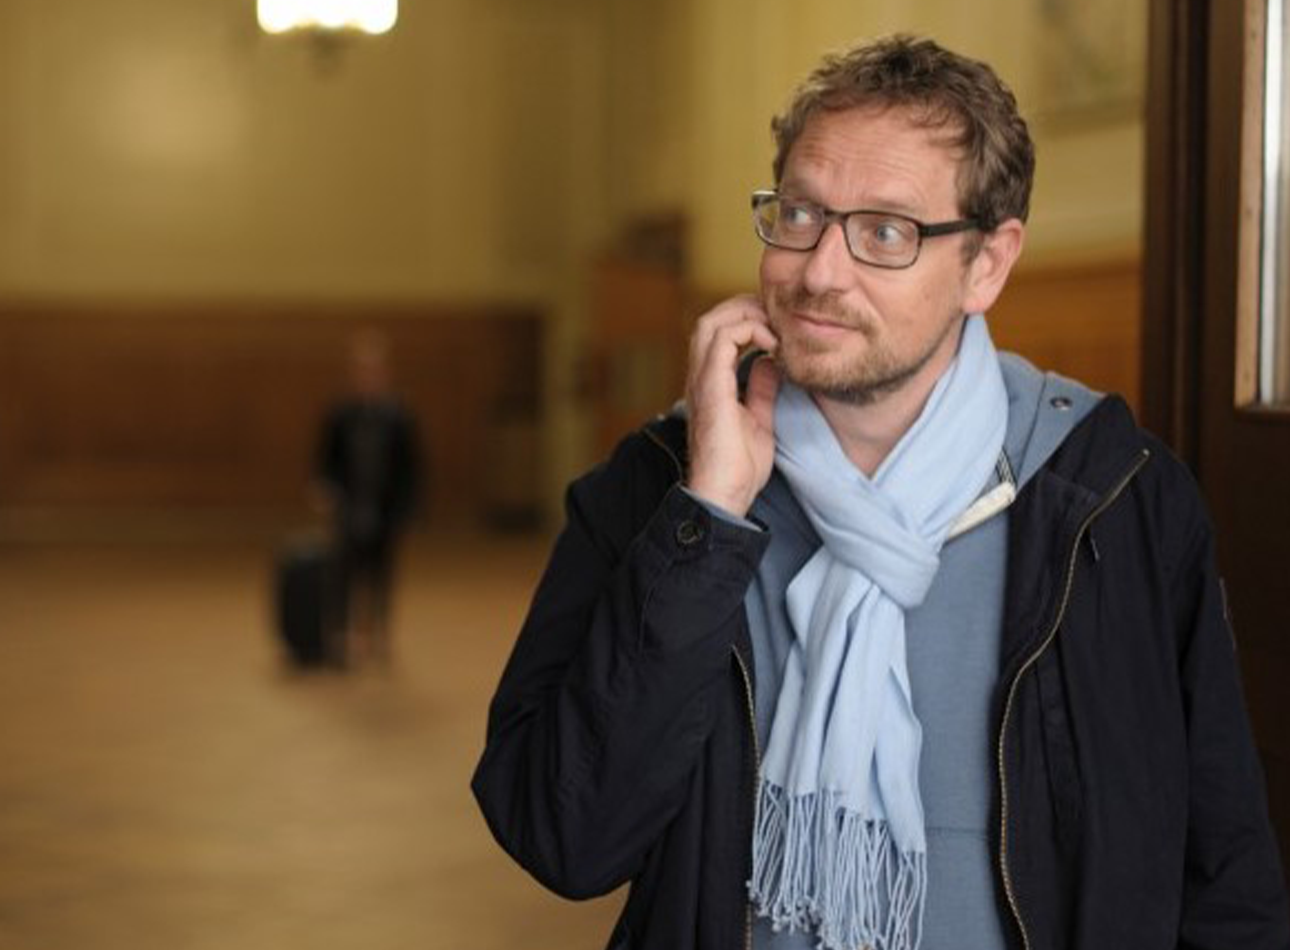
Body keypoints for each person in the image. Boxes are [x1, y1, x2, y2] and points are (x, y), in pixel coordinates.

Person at [472, 35, 1290, 950]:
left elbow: (1226, 872)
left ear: (987, 264)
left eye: (886, 232)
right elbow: (562, 838)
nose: (820, 271)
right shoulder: (656, 491)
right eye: (799, 214)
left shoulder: (1113, 498)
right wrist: (705, 521)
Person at [315, 329, 422, 665]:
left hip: (385, 506)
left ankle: (377, 633)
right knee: (343, 572)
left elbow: (412, 467)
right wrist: (323, 489)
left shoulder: (399, 415)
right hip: (349, 503)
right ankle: (341, 636)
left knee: (382, 573)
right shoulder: (340, 412)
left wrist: (409, 510)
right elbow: (325, 457)